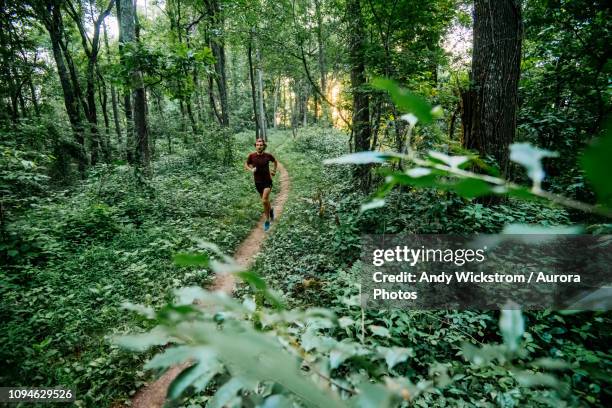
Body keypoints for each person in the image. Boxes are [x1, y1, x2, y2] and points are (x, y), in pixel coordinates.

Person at [245, 138, 278, 232]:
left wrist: (274, 170)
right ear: (255, 146)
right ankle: (270, 209)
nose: (259, 146)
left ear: (264, 146)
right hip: (258, 182)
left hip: (267, 181)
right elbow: (246, 164)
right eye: (257, 145)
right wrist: (251, 169)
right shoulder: (251, 156)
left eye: (261, 145)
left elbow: (275, 161)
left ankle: (267, 220)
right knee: (265, 201)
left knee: (264, 201)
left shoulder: (268, 156)